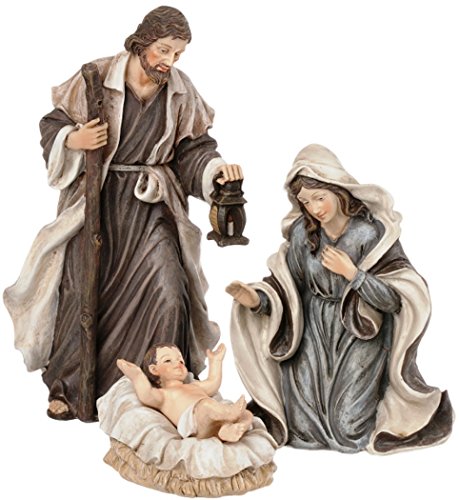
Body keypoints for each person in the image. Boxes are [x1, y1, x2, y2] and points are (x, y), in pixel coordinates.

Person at [4, 6, 244, 421]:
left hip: (151, 209)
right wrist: (73, 139)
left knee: (169, 289)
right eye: (163, 49)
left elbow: (193, 149)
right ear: (141, 42)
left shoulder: (180, 91)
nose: (168, 61)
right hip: (96, 205)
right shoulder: (96, 76)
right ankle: (69, 387)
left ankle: (162, 392)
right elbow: (52, 124)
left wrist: (214, 172)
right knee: (81, 289)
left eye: (177, 54)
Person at [227, 144, 453, 454]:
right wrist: (255, 299)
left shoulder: (370, 234)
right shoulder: (301, 235)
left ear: (338, 190)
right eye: (306, 202)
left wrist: (354, 274)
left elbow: (394, 300)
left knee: (349, 430)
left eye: (319, 198)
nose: (314, 208)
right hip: (311, 332)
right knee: (303, 430)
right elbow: (287, 287)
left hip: (357, 331)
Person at [117, 343, 253, 442]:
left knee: (247, 414)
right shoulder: (164, 394)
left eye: (180, 360)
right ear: (154, 370)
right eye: (168, 360)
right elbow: (146, 395)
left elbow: (213, 383)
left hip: (215, 422)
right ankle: (230, 414)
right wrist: (137, 376)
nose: (178, 363)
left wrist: (215, 361)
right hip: (195, 425)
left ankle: (228, 431)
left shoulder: (194, 386)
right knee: (205, 405)